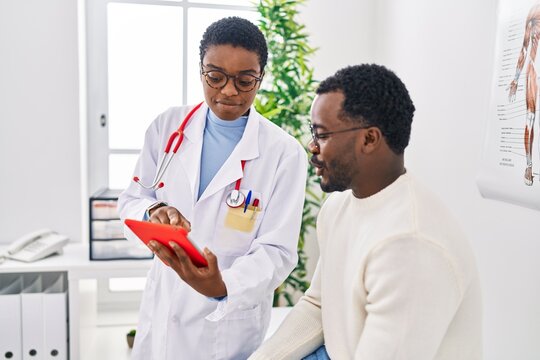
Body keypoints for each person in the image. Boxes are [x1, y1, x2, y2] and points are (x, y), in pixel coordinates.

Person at [249, 64, 483, 360]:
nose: (312, 146)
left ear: (369, 139)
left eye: (321, 134)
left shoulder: (410, 245)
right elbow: (319, 306)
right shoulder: (338, 207)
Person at [118, 17, 307, 360]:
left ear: (261, 76)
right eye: (215, 77)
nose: (229, 91)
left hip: (226, 332)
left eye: (245, 80)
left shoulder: (284, 153)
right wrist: (152, 212)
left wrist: (222, 287)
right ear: (201, 70)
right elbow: (132, 198)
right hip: (161, 317)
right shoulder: (167, 127)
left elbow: (277, 251)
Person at [508, 2, 540, 186]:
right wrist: (515, 79)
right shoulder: (534, 11)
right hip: (534, 74)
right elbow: (524, 48)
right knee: (530, 119)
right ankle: (528, 166)